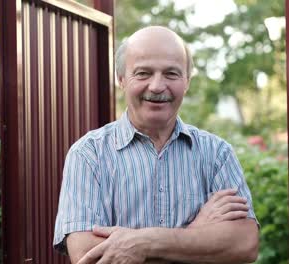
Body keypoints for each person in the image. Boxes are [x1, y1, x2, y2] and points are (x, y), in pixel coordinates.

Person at [53, 26, 259, 264]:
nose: (157, 86)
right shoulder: (89, 154)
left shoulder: (217, 154)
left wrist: (144, 243)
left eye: (171, 74)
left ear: (187, 81)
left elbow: (244, 244)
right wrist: (195, 235)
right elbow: (89, 256)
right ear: (121, 79)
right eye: (143, 73)